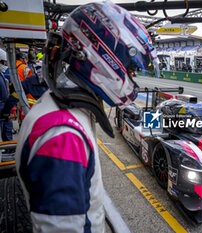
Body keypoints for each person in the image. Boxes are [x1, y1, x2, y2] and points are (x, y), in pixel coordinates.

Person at [15, 2, 155, 232]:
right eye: (130, 69)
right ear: (104, 57)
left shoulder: (66, 108)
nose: (132, 76)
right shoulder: (63, 136)